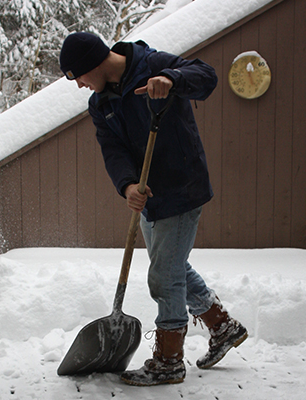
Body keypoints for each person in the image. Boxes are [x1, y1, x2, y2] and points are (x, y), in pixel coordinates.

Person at [59, 32, 248, 386]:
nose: (81, 85)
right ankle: (223, 327)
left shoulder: (153, 64)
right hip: (147, 197)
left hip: (181, 187)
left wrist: (171, 79)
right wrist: (128, 185)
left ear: (91, 63)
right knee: (172, 266)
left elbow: (206, 77)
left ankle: (168, 360)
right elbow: (112, 150)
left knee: (164, 275)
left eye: (79, 76)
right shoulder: (100, 104)